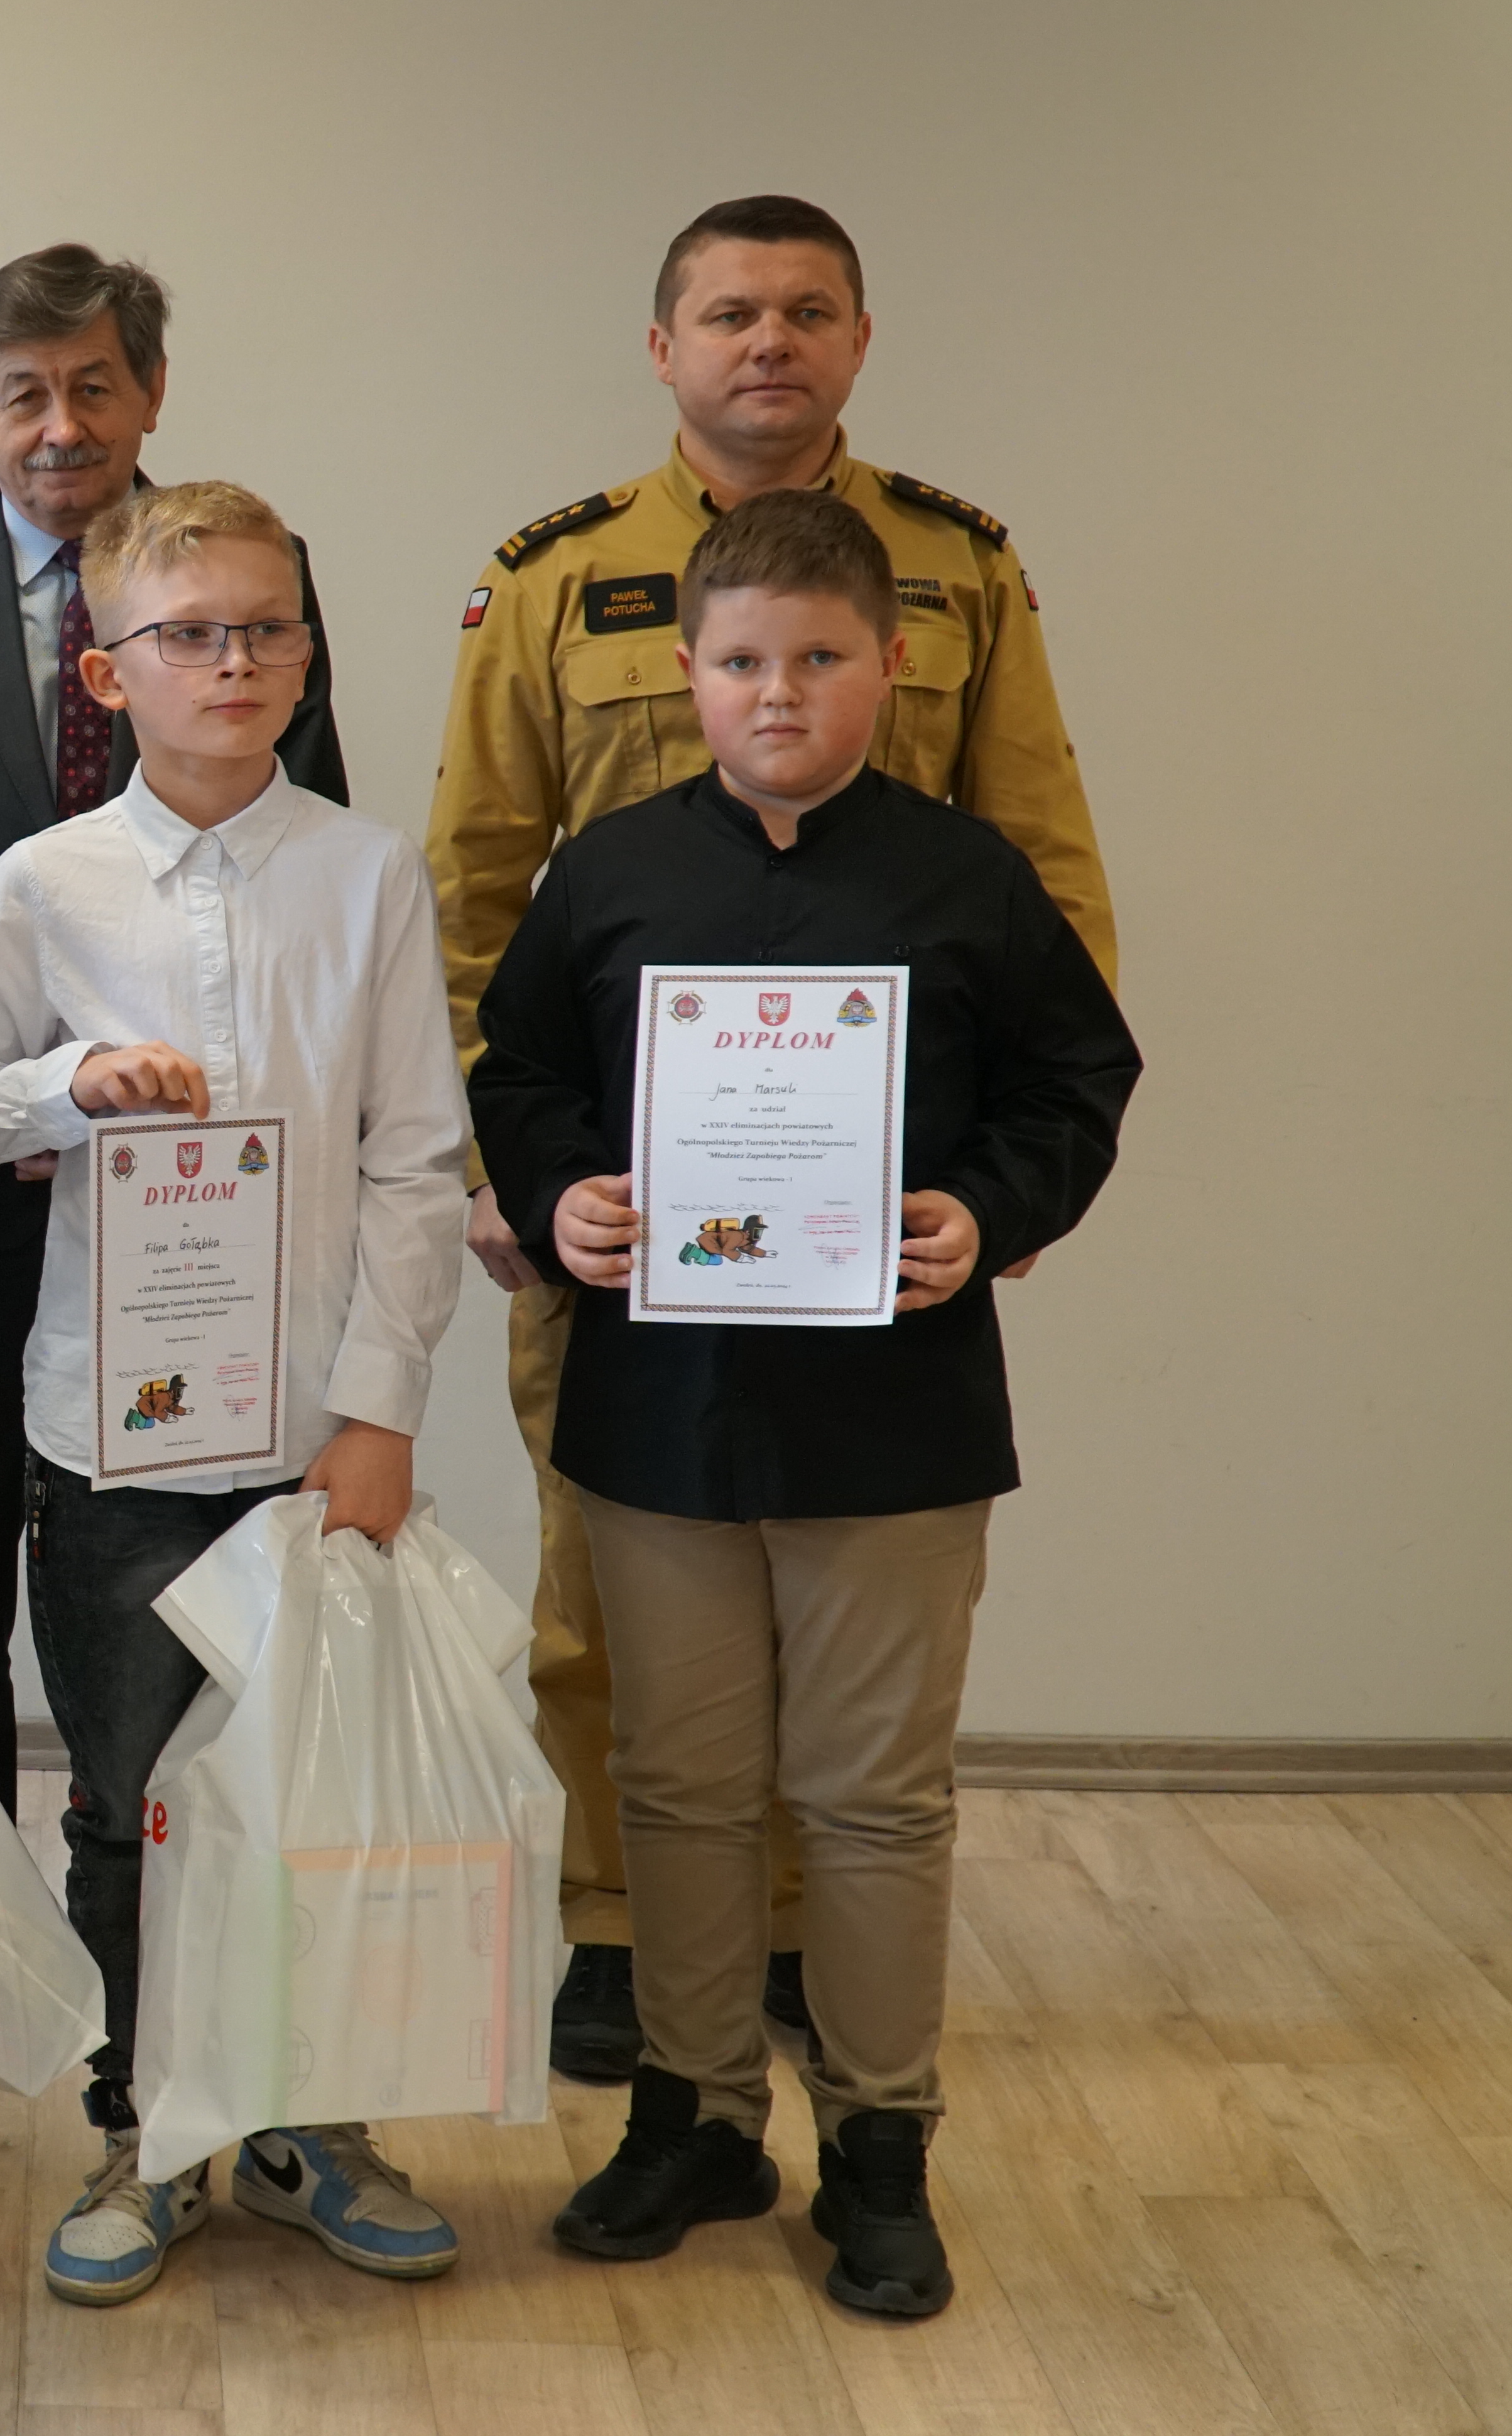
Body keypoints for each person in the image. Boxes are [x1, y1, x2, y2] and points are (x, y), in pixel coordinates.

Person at [425, 195, 1121, 2082]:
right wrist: (505, 1170)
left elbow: (1042, 882)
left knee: (856, 1587)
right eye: (729, 312)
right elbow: (477, 893)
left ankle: (814, 1931)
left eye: (809, 311)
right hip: (625, 1216)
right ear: (664, 348)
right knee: (609, 1577)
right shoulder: (558, 578)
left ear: (860, 341)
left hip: (871, 1220)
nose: (770, 342)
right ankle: (620, 1923)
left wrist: (1005, 1196)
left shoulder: (959, 570)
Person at [470, 489, 1137, 2317]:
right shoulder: (607, 874)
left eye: (822, 658)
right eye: (745, 660)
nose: (781, 692)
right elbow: (518, 1073)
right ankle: (693, 2117)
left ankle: (879, 2145)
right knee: (677, 1785)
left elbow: (1079, 1079)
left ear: (891, 666)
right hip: (660, 1411)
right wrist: (560, 1192)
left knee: (870, 1799)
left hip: (893, 1421)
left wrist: (988, 1208)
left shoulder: (966, 877)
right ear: (689, 673)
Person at [0, 482, 466, 2308]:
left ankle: (310, 2128)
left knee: (314, 1798)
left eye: (268, 630)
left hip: (315, 1440)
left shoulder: (369, 874)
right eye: (191, 634)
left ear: (307, 655)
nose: (235, 661)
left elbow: (417, 1162)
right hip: (112, 1442)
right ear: (108, 671)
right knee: (128, 1803)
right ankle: (150, 2130)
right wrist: (69, 1081)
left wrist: (379, 1411)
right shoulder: (46, 882)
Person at [0, 246, 347, 1952]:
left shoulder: (245, 574)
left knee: (193, 1546)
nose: (61, 425)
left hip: (197, 1188)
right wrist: (8, 1085)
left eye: (95, 385)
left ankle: (183, 1922)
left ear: (150, 394)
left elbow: (304, 845)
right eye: (22, 392)